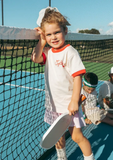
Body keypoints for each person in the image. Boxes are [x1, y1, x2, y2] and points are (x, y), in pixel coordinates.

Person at [31, 7, 95, 160]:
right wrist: (42, 40)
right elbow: (35, 58)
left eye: (56, 32)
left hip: (69, 106)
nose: (53, 37)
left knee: (77, 137)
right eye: (49, 34)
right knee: (57, 137)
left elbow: (78, 77)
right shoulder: (47, 52)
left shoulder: (70, 52)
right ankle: (62, 157)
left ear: (65, 31)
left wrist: (74, 101)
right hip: (53, 105)